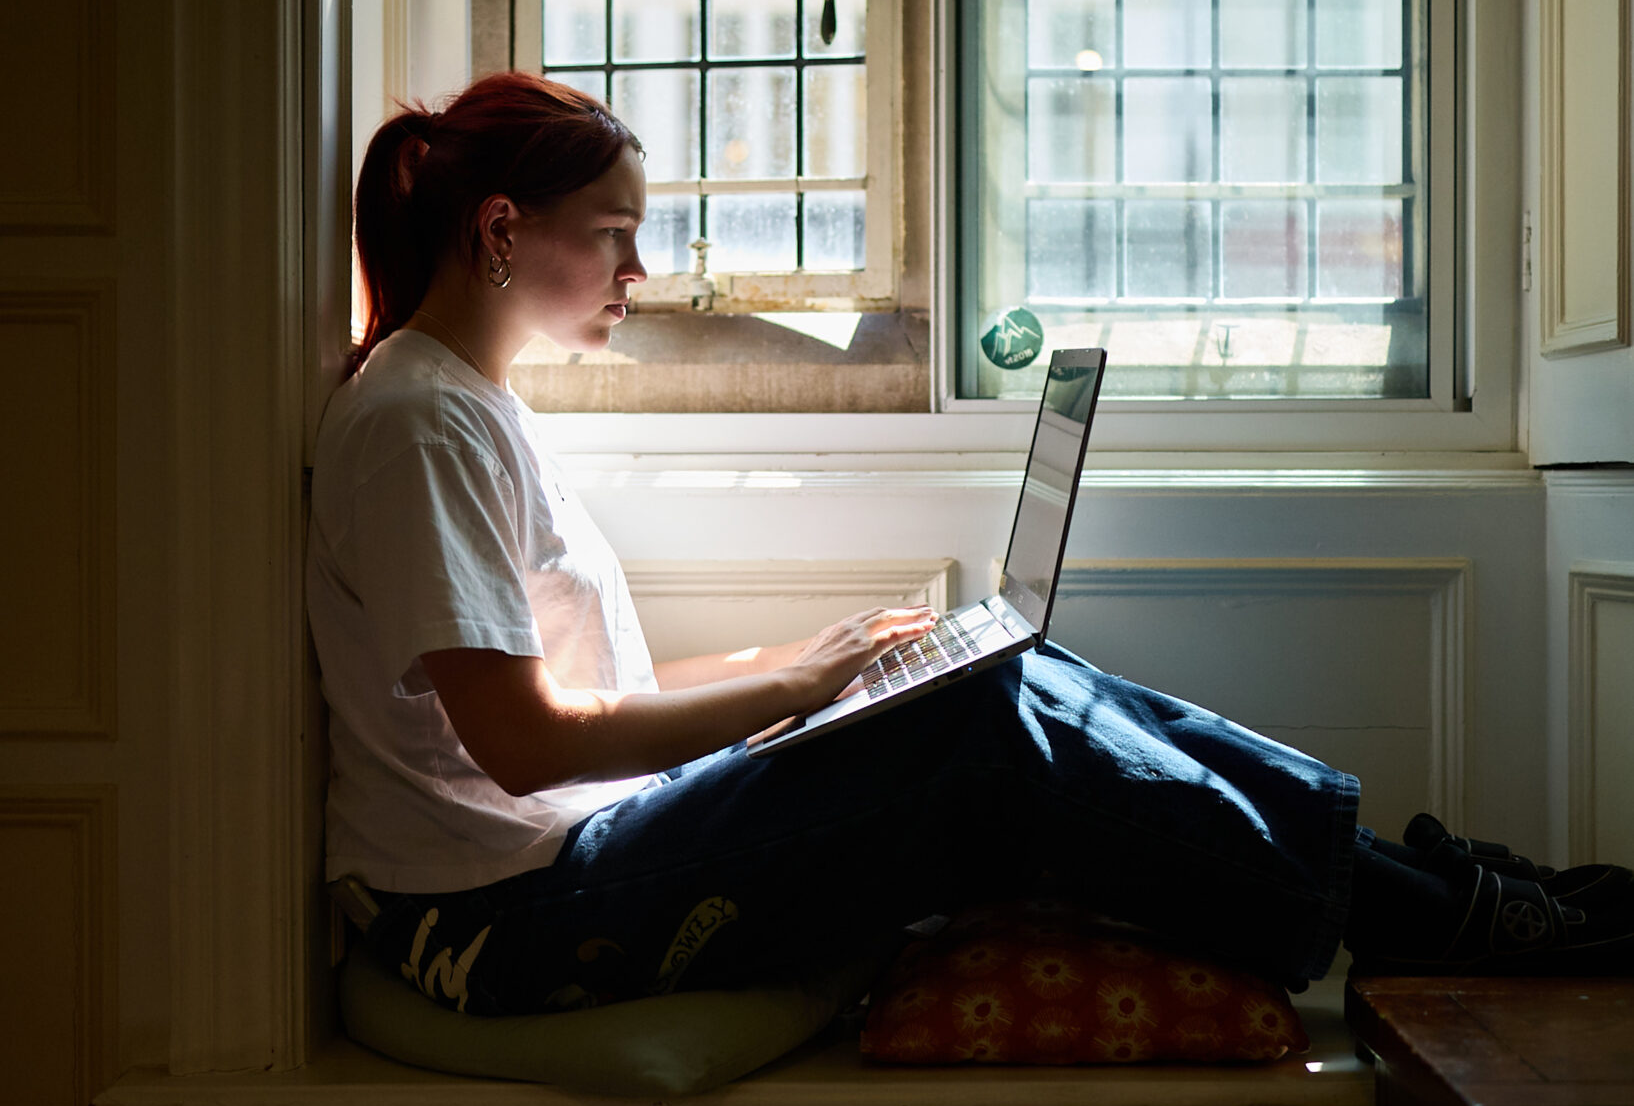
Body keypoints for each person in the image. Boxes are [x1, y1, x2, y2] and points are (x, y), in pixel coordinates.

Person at [306, 71, 1634, 1019]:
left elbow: (572, 690)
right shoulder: (421, 421)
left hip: (558, 856)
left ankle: (1431, 889)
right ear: (497, 230)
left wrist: (816, 659)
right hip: (500, 919)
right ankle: (1429, 919)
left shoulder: (466, 406)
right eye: (610, 236)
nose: (636, 270)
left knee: (991, 679)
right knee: (990, 732)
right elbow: (525, 741)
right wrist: (785, 695)